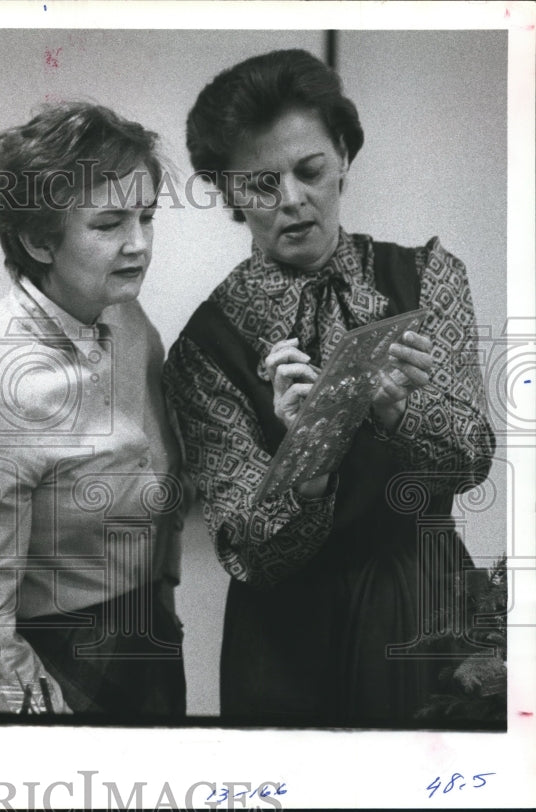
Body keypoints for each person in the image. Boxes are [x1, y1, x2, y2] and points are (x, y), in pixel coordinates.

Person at [163, 49, 495, 725]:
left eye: (309, 170)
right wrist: (305, 460)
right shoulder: (203, 351)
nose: (292, 200)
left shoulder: (429, 275)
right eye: (260, 184)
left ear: (343, 154)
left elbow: (471, 459)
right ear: (228, 192)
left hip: (428, 599)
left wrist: (400, 413)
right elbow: (250, 553)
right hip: (289, 641)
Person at [0, 102, 186, 716]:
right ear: (40, 240)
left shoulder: (127, 317)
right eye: (110, 223)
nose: (139, 244)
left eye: (147, 216)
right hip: (47, 664)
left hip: (144, 639)